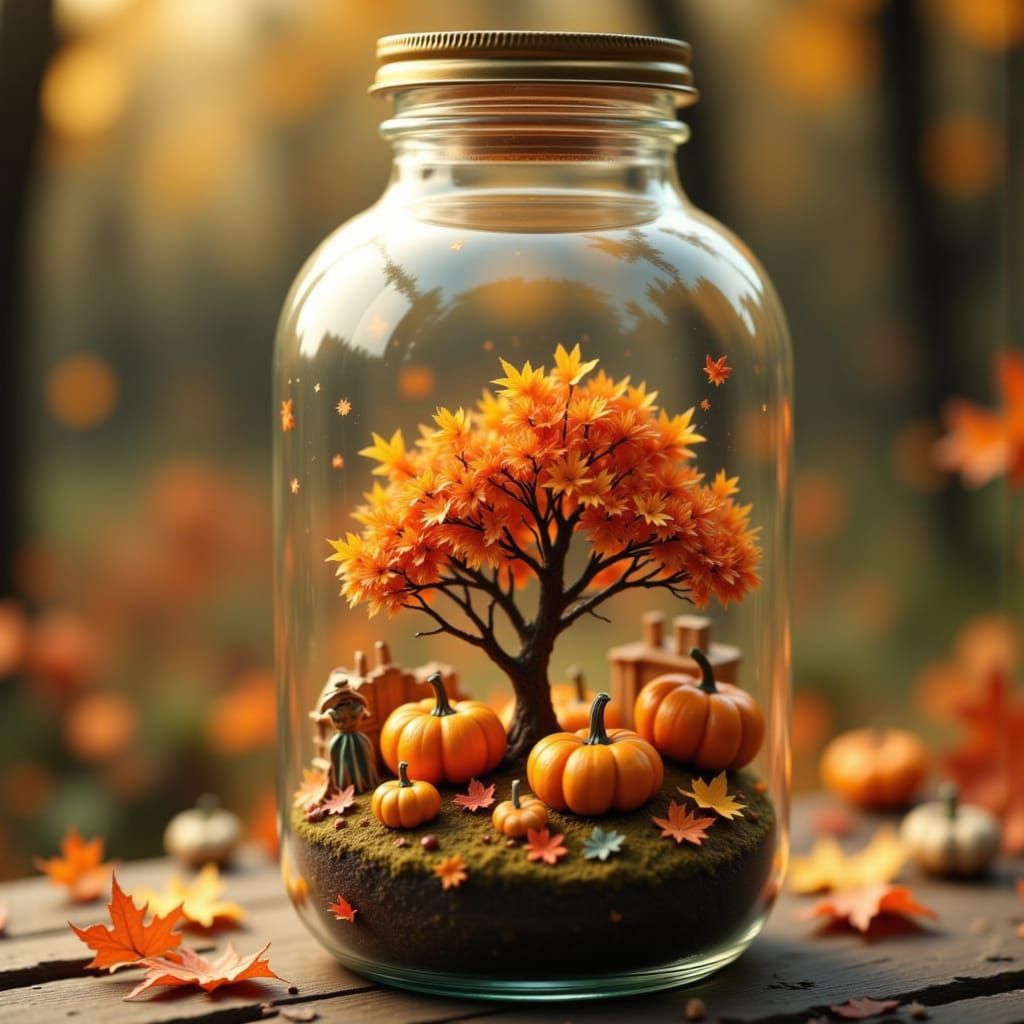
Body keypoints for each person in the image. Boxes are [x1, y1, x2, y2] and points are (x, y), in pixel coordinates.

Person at [319, 676, 380, 795]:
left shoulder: (358, 708)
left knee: (364, 760)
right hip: (341, 741)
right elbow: (323, 716)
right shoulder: (333, 713)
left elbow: (367, 714)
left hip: (358, 739)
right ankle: (346, 787)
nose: (344, 700)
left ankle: (365, 782)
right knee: (343, 764)